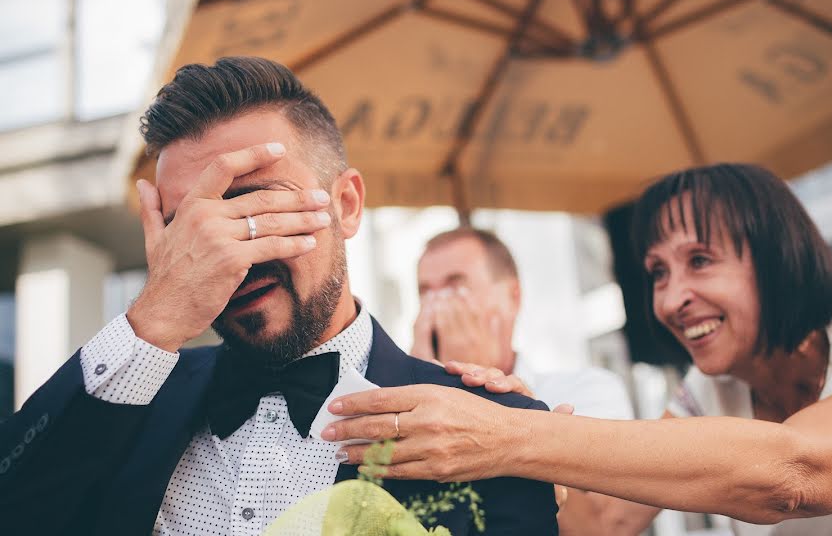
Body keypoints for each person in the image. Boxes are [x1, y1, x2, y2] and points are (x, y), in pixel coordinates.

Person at [0, 57, 559, 535]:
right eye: (190, 228)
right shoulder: (119, 407)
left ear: (346, 205)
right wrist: (153, 317)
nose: (226, 254)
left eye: (257, 205)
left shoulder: (495, 426)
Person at [323, 163, 832, 535]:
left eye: (700, 261)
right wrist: (508, 417)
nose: (672, 299)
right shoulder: (710, 390)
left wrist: (517, 434)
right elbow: (608, 523)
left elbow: (800, 472)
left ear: (777, 258)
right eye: (657, 272)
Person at [413, 227, 633, 534]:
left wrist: (477, 385)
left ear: (512, 297)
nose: (437, 306)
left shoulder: (587, 389)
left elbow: (597, 527)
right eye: (426, 291)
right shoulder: (406, 397)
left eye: (455, 287)